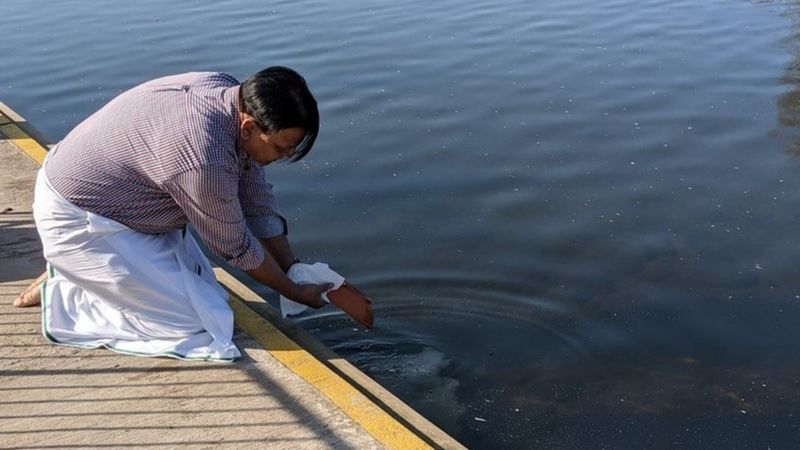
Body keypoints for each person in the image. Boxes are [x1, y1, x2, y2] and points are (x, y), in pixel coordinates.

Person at [14, 67, 334, 360]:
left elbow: (255, 196)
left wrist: (292, 267)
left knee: (206, 296)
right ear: (249, 126)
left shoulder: (227, 93)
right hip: (81, 218)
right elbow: (235, 247)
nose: (286, 156)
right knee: (197, 322)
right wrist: (294, 292)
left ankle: (85, 270)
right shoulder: (204, 159)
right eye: (280, 148)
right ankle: (70, 284)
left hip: (127, 209)